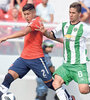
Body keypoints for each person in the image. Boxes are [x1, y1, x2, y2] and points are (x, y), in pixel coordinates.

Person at [0, 3, 70, 100]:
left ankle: (69, 97)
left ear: (34, 13)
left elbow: (24, 32)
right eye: (24, 14)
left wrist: (6, 37)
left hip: (36, 59)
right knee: (8, 78)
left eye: (28, 14)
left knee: (50, 84)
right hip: (24, 59)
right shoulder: (32, 22)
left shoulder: (36, 21)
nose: (26, 16)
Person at [37, 2, 90, 100]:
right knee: (55, 82)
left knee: (84, 90)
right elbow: (52, 34)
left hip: (79, 65)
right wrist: (45, 32)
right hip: (66, 65)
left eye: (73, 13)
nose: (71, 15)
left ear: (79, 14)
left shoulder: (84, 28)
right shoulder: (64, 25)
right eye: (69, 12)